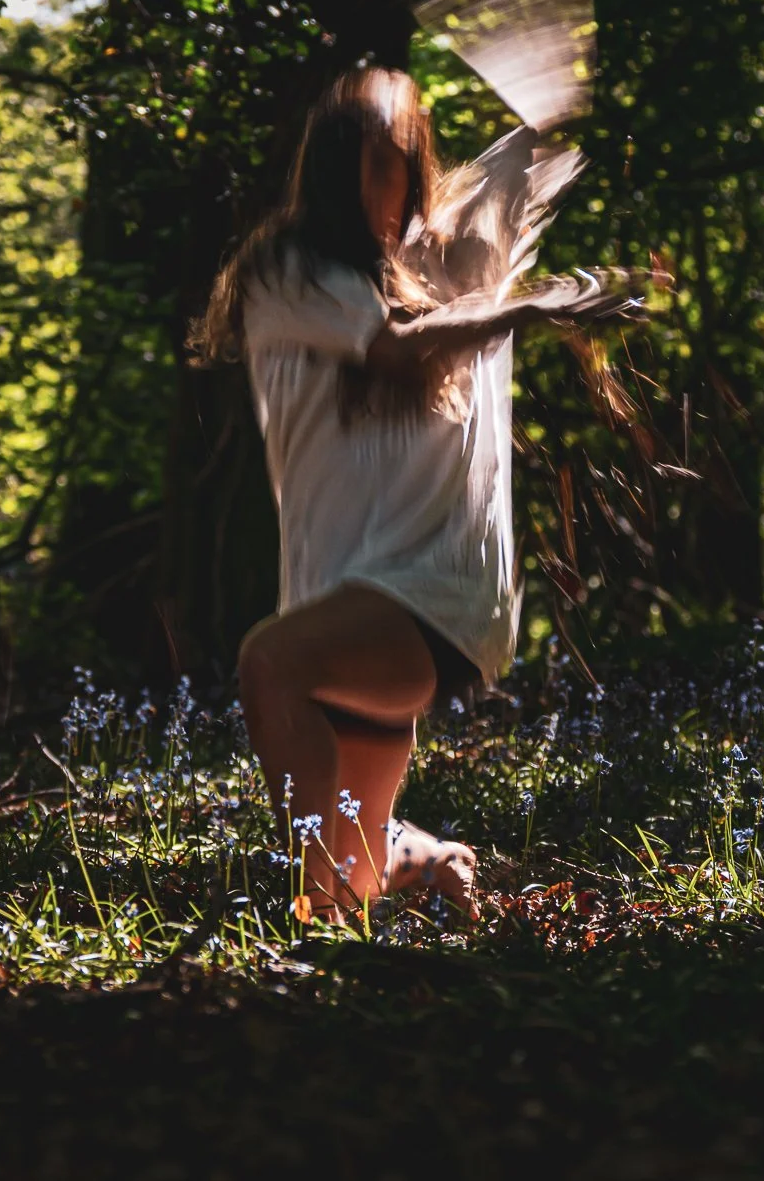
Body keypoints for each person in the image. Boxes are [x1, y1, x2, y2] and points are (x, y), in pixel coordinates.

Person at [191, 66, 648, 923]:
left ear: (413, 166)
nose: (376, 184)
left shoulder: (446, 256)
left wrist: (546, 89)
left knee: (268, 664)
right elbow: (400, 348)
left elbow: (529, 147)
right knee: (355, 868)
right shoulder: (289, 269)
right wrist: (533, 307)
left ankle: (319, 953)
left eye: (390, 162)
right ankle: (427, 858)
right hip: (343, 610)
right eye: (359, 164)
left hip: (427, 596)